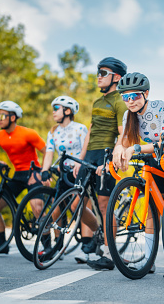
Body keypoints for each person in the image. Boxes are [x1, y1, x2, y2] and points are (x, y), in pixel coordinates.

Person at [112, 72, 164, 275]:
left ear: (146, 93)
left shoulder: (162, 106)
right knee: (150, 209)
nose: (130, 101)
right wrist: (117, 153)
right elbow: (123, 141)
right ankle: (149, 260)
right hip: (153, 160)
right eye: (125, 97)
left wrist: (135, 149)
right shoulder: (127, 115)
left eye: (135, 96)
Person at [73, 57, 128, 271]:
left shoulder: (120, 101)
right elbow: (90, 131)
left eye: (103, 72)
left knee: (105, 206)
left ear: (116, 77)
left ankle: (108, 253)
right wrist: (81, 158)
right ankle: (100, 233)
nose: (98, 76)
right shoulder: (97, 102)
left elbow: (123, 133)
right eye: (98, 72)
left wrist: (113, 158)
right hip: (89, 156)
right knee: (77, 202)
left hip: (107, 155)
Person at [39, 96, 96, 263]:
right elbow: (49, 152)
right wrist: (44, 170)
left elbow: (85, 149)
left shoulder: (79, 129)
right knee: (56, 210)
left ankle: (88, 247)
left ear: (68, 111)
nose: (53, 111)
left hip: (80, 170)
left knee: (77, 206)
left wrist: (80, 165)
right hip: (63, 172)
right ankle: (59, 246)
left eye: (56, 108)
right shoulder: (53, 131)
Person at [0, 100, 46, 254]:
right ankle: (2, 246)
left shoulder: (28, 133)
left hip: (34, 172)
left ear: (13, 117)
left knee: (37, 208)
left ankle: (49, 248)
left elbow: (47, 151)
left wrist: (41, 172)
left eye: (2, 115)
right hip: (18, 174)